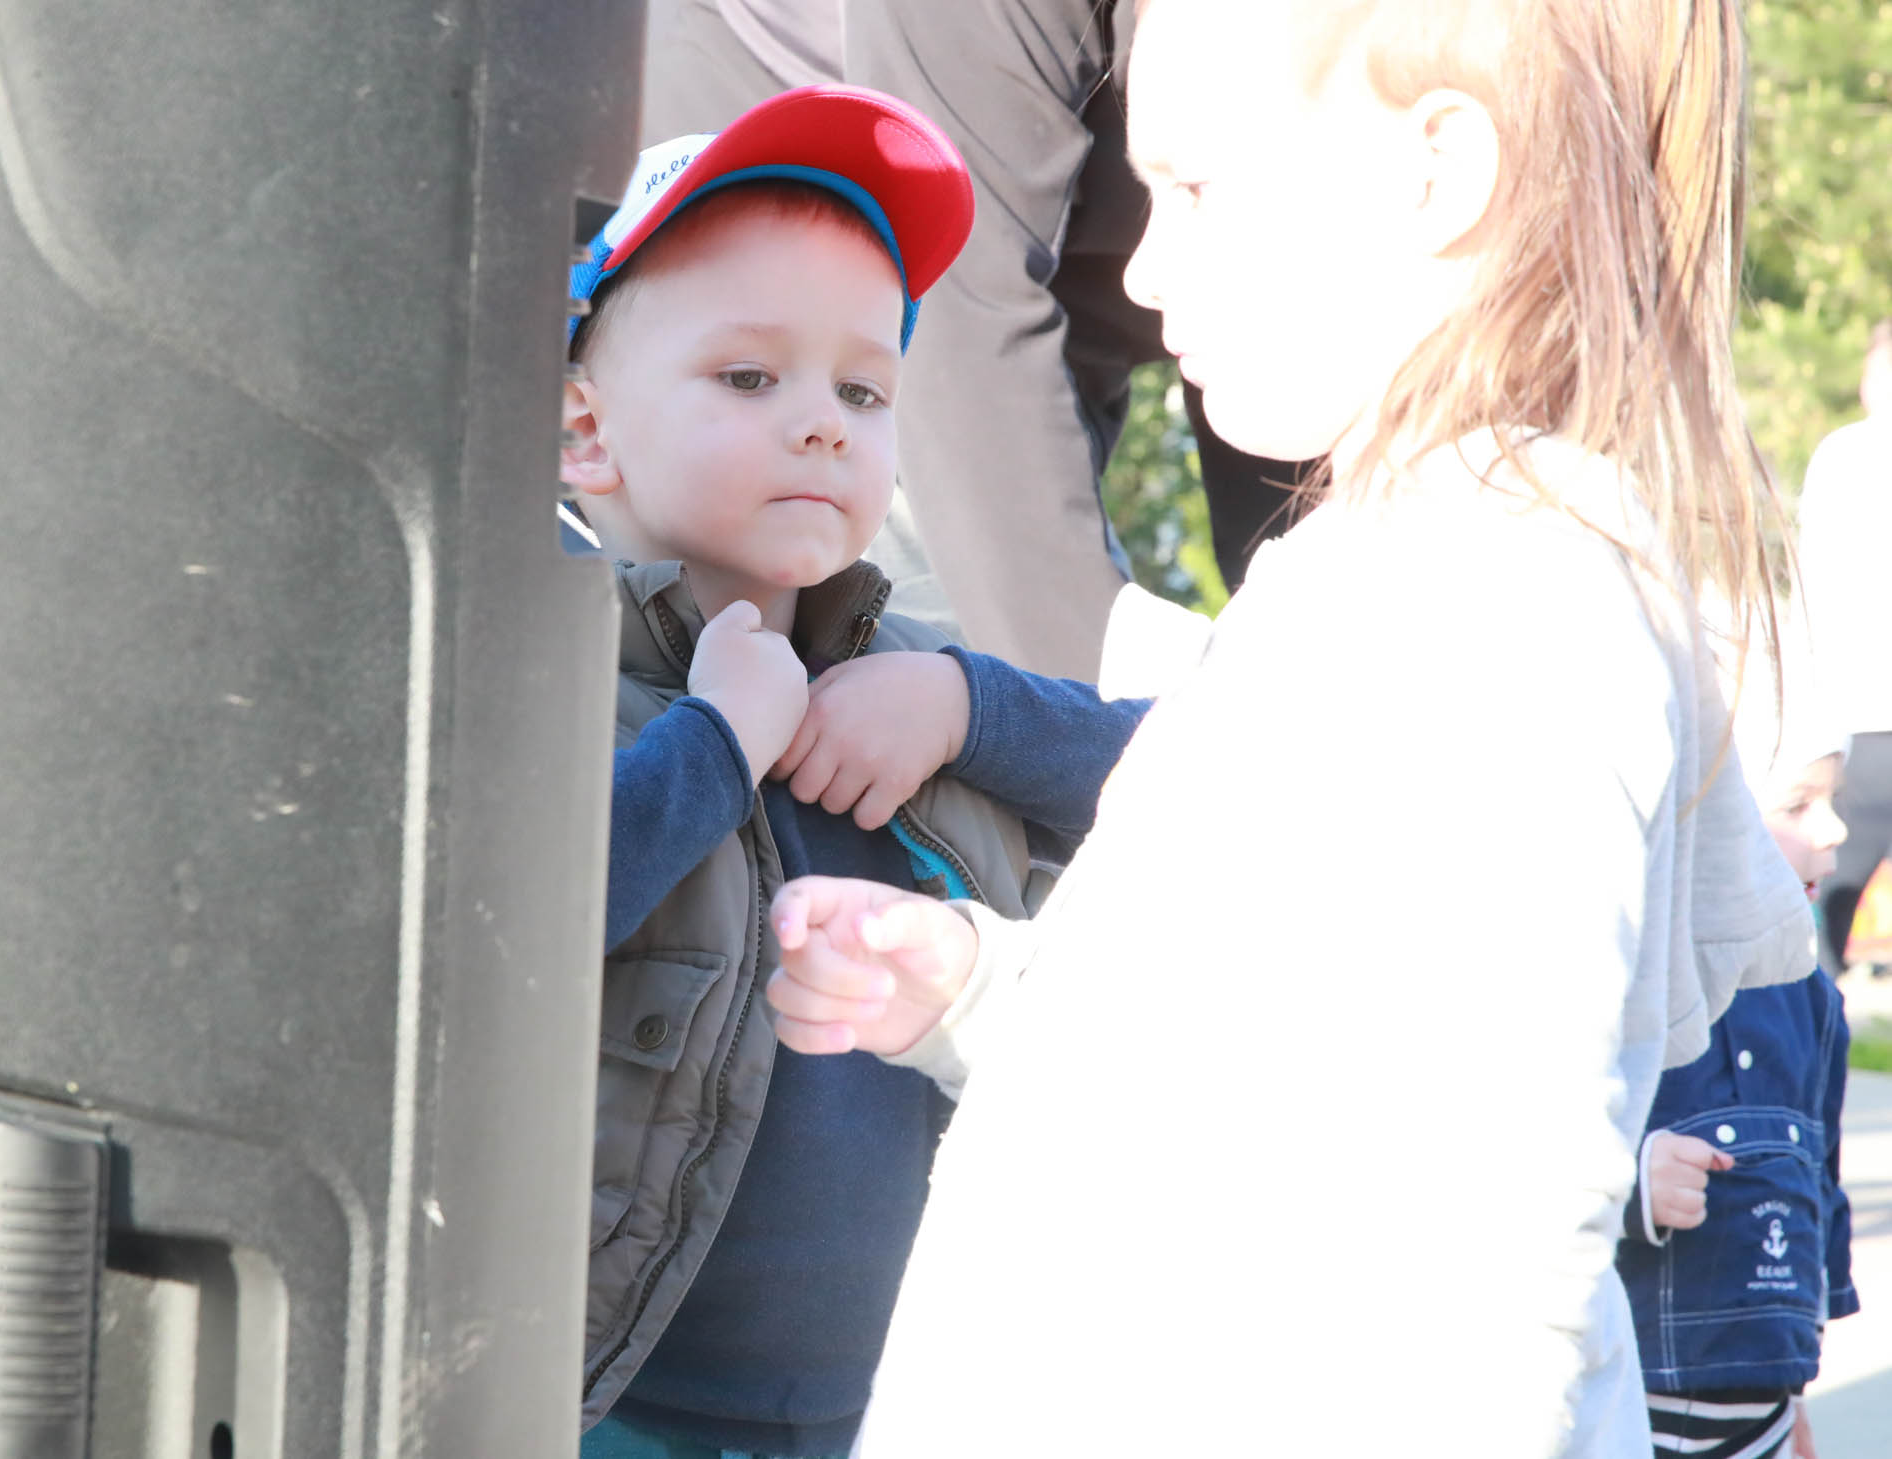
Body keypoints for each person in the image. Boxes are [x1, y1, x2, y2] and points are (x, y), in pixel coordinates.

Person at [759, 2, 1817, 1453]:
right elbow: (1250, 1056)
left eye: (1194, 188)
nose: (1140, 266)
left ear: (1437, 172)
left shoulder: (1508, 614)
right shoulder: (1369, 576)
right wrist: (979, 989)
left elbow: (1481, 1252)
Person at [560, 87, 1151, 1457]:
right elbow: (504, 935)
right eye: (748, 378)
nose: (822, 422)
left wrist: (968, 705)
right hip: (609, 1406)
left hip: (901, 1408)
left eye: (862, 389)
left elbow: (1205, 800)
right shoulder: (546, 684)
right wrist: (715, 743)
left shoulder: (914, 688)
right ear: (584, 429)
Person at [640, 0, 1311, 677]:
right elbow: (967, 331)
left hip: (1071, 271)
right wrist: (1104, 706)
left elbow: (1291, 326)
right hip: (860, 271)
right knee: (944, 658)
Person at [1613, 622, 1858, 1459]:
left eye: (1833, 797)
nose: (1834, 828)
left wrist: (1793, 1389)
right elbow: (1543, 1145)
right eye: (1797, 803)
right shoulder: (1636, 980)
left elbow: (1814, 1190)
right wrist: (1632, 1180)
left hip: (1758, 1412)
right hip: (1633, 1395)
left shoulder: (1813, 1003)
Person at [1798, 319, 1892, 974]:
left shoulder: (1843, 455)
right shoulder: (1843, 456)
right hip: (1860, 715)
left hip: (1859, 713)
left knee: (1832, 894)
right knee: (1833, 887)